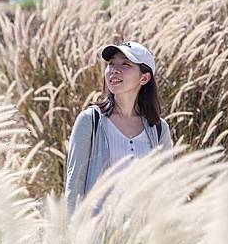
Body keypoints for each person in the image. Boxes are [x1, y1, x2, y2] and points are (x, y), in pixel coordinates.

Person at [64, 41, 173, 214]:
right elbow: (74, 184)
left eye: (125, 64)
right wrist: (70, 236)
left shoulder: (159, 129)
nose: (114, 69)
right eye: (111, 63)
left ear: (144, 78)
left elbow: (167, 188)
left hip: (144, 237)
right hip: (99, 236)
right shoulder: (90, 121)